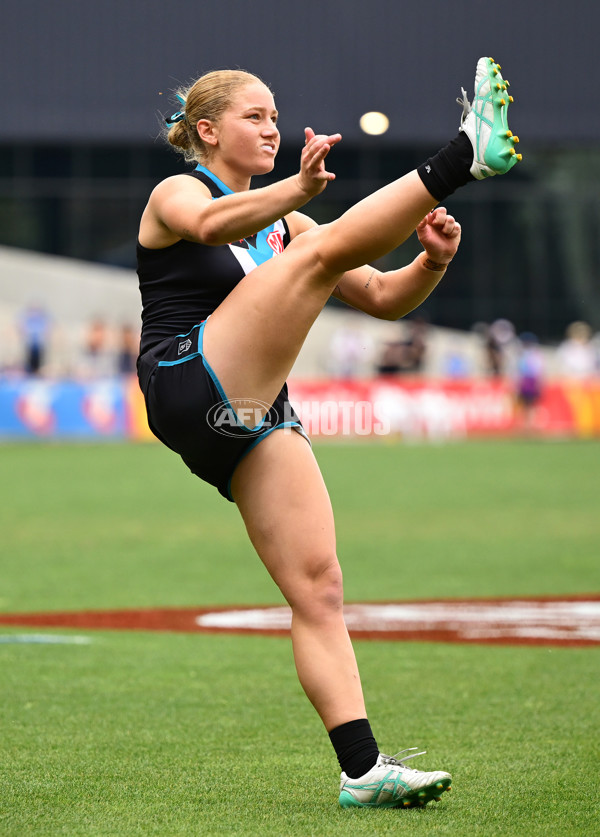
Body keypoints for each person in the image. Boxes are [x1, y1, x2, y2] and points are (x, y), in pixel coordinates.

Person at [136, 57, 521, 809]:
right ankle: (462, 155)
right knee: (313, 248)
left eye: (276, 116)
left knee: (320, 586)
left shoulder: (288, 218)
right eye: (255, 117)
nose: (273, 128)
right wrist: (302, 192)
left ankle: (362, 769)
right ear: (207, 130)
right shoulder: (180, 190)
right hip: (185, 379)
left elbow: (379, 294)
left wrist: (431, 263)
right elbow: (215, 225)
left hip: (246, 413)